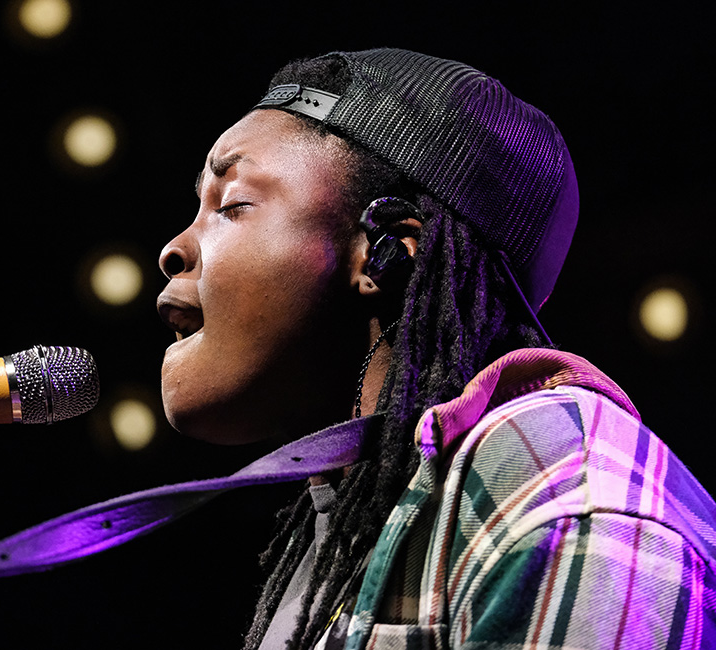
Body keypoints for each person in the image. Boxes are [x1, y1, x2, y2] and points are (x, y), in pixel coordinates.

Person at [156, 48, 716, 649]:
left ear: (386, 251)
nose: (172, 249)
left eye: (232, 204)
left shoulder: (561, 494)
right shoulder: (348, 524)